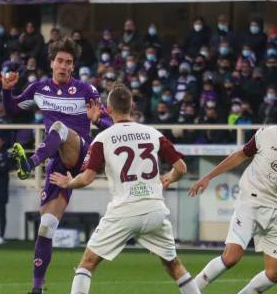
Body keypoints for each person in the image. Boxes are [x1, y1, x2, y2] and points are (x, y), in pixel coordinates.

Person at [50, 85, 201, 294]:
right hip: (154, 210)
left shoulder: (102, 139)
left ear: (108, 109)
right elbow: (181, 168)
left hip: (124, 210)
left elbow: (87, 178)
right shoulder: (152, 133)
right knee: (174, 265)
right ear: (132, 106)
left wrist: (69, 183)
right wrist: (169, 178)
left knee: (88, 263)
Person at [2, 38, 113, 294]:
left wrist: (99, 121)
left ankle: (29, 164)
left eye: (69, 62)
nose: (64, 66)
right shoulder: (38, 89)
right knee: (47, 226)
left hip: (82, 152)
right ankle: (37, 288)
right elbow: (13, 110)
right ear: (51, 63)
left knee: (60, 128)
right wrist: (7, 91)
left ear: (73, 67)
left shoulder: (86, 91)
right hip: (58, 163)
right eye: (60, 61)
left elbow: (110, 126)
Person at [188, 98, 277, 293]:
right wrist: (209, 176)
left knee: (275, 274)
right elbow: (240, 155)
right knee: (231, 257)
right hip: (250, 202)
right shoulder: (267, 134)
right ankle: (191, 290)